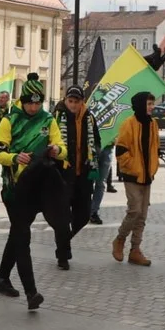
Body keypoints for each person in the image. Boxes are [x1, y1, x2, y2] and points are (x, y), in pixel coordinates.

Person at [0, 73, 66, 309]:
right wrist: (15, 157)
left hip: (40, 187)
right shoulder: (9, 120)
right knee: (23, 237)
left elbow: (63, 149)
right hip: (15, 189)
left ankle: (2, 278)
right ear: (22, 101)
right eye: (30, 103)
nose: (33, 107)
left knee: (17, 233)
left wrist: (56, 150)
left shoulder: (48, 119)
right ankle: (31, 292)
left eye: (37, 103)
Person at [52, 85, 102, 268]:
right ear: (65, 100)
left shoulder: (89, 118)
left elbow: (96, 140)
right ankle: (62, 255)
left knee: (83, 216)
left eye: (76, 102)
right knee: (63, 217)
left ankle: (65, 240)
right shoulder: (57, 117)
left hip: (84, 174)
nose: (73, 105)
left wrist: (94, 153)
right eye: (70, 101)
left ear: (82, 102)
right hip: (63, 174)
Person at [111, 92, 159, 266]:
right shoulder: (128, 124)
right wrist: (133, 166)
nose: (152, 107)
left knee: (142, 215)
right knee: (135, 211)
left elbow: (155, 148)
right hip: (132, 175)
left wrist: (153, 166)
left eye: (153, 104)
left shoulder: (153, 124)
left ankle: (135, 250)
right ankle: (120, 239)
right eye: (149, 104)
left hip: (147, 175)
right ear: (140, 105)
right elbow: (121, 152)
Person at [90, 144, 113, 225]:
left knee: (101, 183)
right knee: (89, 181)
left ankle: (93, 212)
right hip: (92, 151)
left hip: (107, 150)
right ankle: (84, 210)